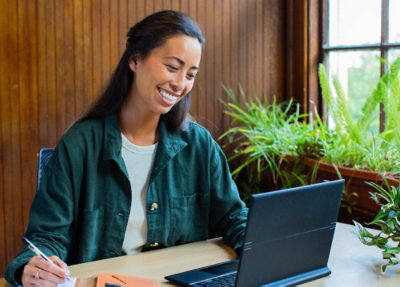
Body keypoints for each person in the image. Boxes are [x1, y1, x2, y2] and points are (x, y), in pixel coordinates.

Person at [5, 10, 248, 286]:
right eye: (172, 67)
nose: (181, 84)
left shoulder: (199, 145)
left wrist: (263, 249)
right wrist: (34, 269)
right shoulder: (79, 145)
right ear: (135, 59)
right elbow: (46, 238)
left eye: (191, 74)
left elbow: (233, 217)